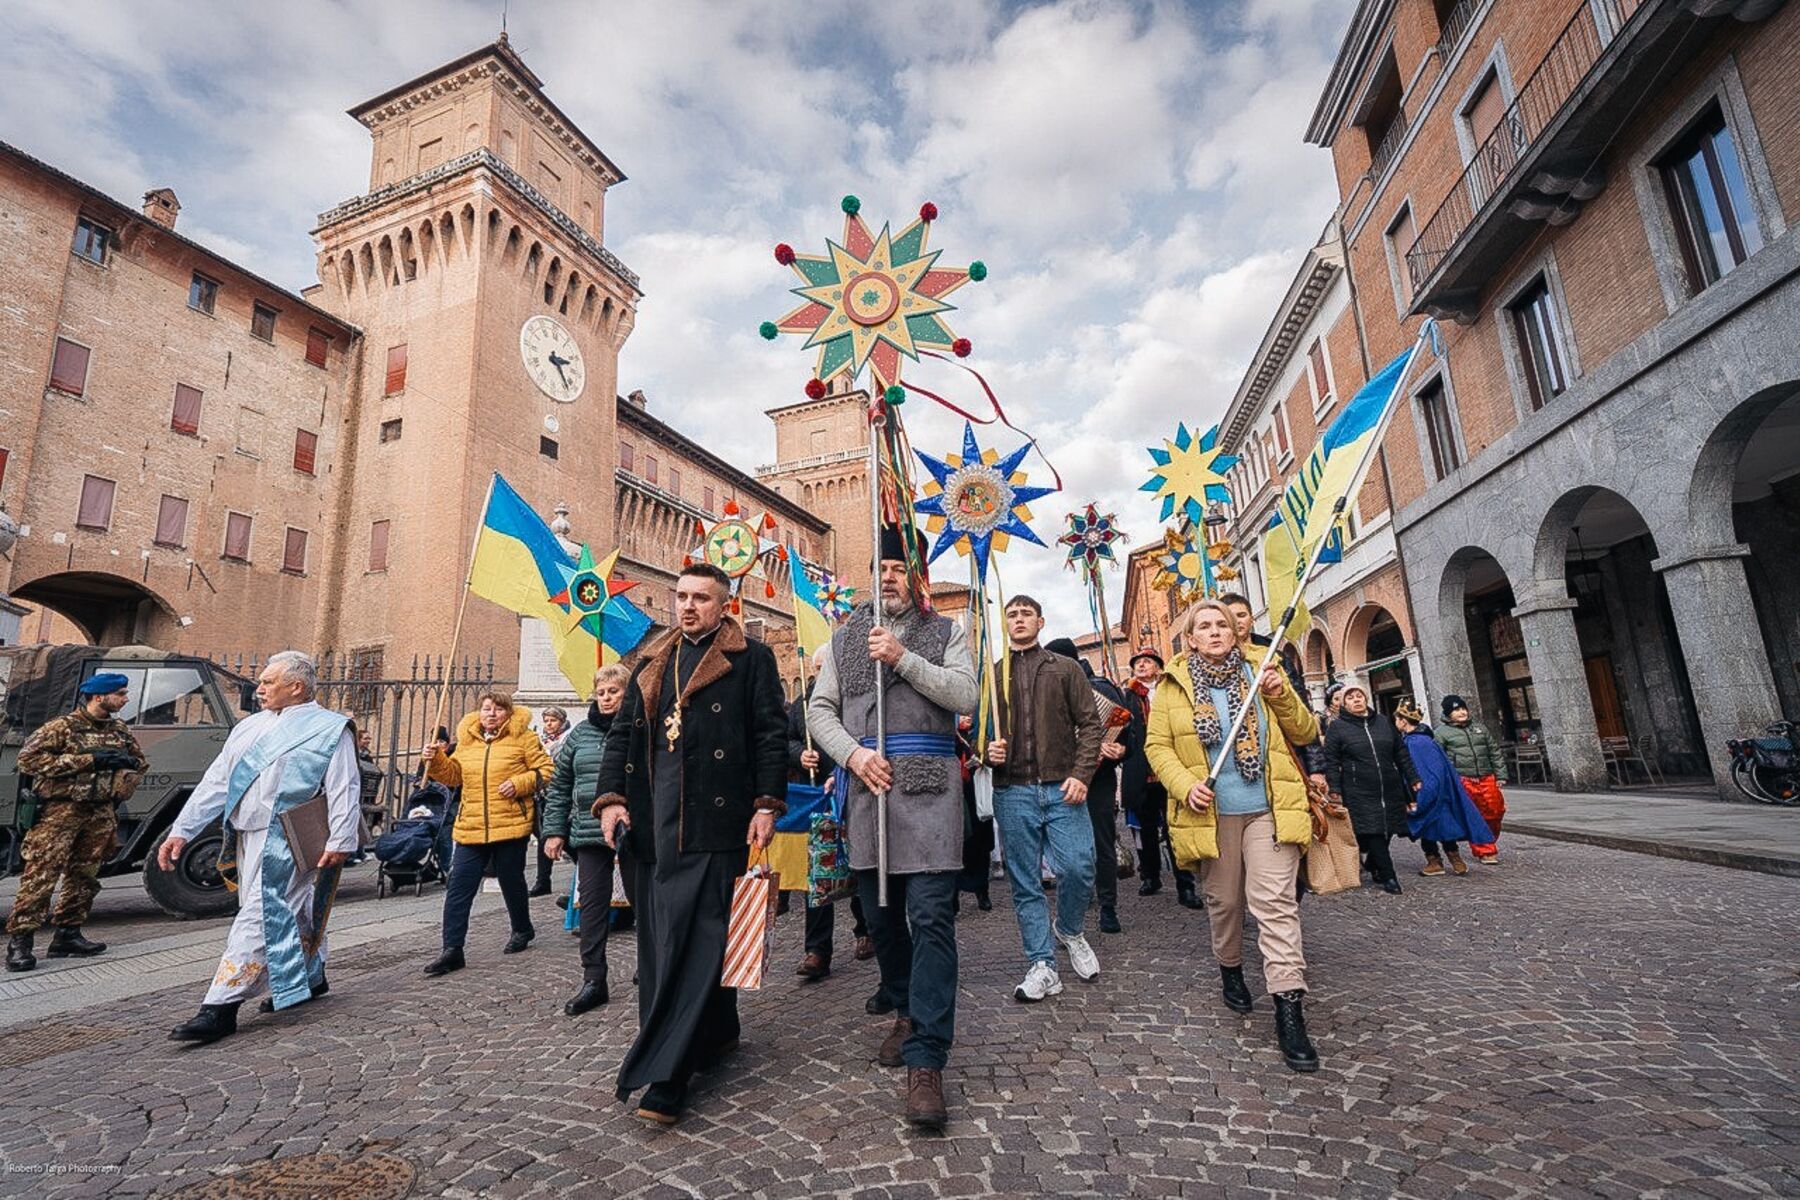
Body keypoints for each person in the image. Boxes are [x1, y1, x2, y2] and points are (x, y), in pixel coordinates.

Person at [594, 562, 788, 1125]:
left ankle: (667, 1073)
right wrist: (611, 800)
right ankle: (720, 1029)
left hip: (715, 822)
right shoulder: (652, 659)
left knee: (696, 941)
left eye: (701, 598)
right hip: (654, 822)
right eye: (680, 596)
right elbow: (622, 737)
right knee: (661, 943)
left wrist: (765, 805)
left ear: (723, 605)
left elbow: (769, 734)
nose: (687, 606)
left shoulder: (752, 658)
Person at [807, 528, 979, 1131]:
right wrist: (852, 756)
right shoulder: (845, 637)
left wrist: (902, 660)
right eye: (880, 567)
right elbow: (818, 710)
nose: (888, 578)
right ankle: (905, 1006)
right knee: (881, 920)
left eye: (900, 569)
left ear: (918, 578)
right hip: (868, 790)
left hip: (930, 792)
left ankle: (926, 1058)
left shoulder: (945, 633)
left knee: (931, 917)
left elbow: (966, 695)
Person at [1144, 598, 1322, 1073]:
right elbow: (1157, 747)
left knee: (1275, 903)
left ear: (1237, 631)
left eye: (1222, 623)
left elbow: (1306, 732)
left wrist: (1281, 693)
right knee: (1224, 903)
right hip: (1211, 815)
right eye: (1205, 626)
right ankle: (1231, 967)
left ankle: (1289, 1007)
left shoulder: (1264, 672)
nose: (1216, 631)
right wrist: (1185, 786)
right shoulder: (1172, 686)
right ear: (1191, 638)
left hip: (1269, 810)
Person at [161, 652, 360, 1044]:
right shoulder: (247, 727)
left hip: (290, 834)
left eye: (269, 681)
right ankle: (311, 975)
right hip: (246, 832)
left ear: (297, 687)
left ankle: (220, 1006)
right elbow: (217, 781)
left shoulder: (329, 728)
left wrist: (341, 838)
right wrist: (183, 829)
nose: (260, 687)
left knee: (260, 912)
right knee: (287, 907)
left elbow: (344, 784)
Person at [987, 596, 1104, 1004]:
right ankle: (1043, 965)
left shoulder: (1065, 668)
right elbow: (977, 731)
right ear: (1005, 624)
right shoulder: (993, 675)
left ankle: (1069, 929)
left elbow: (1092, 725)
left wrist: (1081, 774)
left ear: (1040, 620)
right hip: (1012, 790)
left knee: (1078, 866)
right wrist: (987, 750)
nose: (1018, 620)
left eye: (1025, 614)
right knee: (1025, 883)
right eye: (1011, 615)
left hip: (1062, 786)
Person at [6, 673, 146, 972]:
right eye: (120, 693)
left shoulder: (119, 730)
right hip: (60, 813)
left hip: (99, 812)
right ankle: (21, 942)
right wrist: (88, 761)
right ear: (99, 697)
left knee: (84, 877)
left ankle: (68, 935)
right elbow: (28, 760)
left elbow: (138, 761)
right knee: (41, 877)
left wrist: (128, 773)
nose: (125, 698)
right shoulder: (63, 728)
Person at [420, 691, 552, 976]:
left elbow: (545, 770)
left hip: (510, 824)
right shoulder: (467, 742)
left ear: (508, 713)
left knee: (511, 881)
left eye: (498, 709)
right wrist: (437, 760)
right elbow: (454, 777)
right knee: (459, 886)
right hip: (471, 826)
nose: (491, 714)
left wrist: (520, 783)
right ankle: (452, 949)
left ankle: (522, 928)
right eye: (486, 708)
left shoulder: (524, 739)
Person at [541, 665, 634, 1015]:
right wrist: (553, 831)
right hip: (589, 831)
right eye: (601, 691)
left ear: (627, 692)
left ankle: (651, 966)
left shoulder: (639, 728)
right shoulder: (579, 735)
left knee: (645, 901)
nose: (607, 697)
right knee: (591, 906)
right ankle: (594, 978)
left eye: (614, 691)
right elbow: (560, 786)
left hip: (632, 831)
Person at [789, 649, 871, 982]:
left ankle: (866, 930)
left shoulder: (855, 698)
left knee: (859, 866)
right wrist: (800, 754)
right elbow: (785, 740)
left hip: (853, 793)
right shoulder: (801, 706)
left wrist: (843, 771)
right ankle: (817, 950)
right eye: (819, 668)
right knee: (818, 874)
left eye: (829, 668)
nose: (823, 674)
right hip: (816, 799)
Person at [1045, 638, 1133, 935]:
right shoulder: (1049, 689)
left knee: (1102, 842)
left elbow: (1127, 736)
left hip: (1099, 778)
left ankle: (1109, 907)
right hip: (1062, 777)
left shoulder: (1102, 689)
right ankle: (1080, 898)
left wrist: (1119, 749)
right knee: (1069, 847)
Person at [1321, 678, 1419, 896]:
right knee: (1374, 830)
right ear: (1344, 704)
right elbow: (1332, 760)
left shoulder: (1383, 722)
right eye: (1350, 697)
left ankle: (1374, 864)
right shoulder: (1337, 728)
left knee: (1388, 828)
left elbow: (1400, 752)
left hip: (1389, 785)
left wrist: (1413, 777)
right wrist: (1334, 788)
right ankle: (1389, 875)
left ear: (1366, 699)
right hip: (1358, 788)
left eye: (1359, 696)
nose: (1356, 700)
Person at [1124, 648, 1200, 909]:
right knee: (1145, 831)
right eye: (1137, 663)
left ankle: (1186, 885)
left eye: (1147, 661)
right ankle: (1150, 876)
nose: (1141, 666)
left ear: (1158, 666)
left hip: (1171, 770)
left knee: (1175, 830)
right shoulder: (1128, 696)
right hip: (1142, 771)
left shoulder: (1171, 689)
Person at [1394, 699, 1493, 876]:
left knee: (1430, 828)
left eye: (1397, 719)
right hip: (1437, 792)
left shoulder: (1416, 743)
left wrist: (1422, 795)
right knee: (1442, 827)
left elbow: (1425, 771)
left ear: (1403, 721)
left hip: (1428, 793)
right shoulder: (1423, 740)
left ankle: (1437, 861)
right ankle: (1454, 860)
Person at [1435, 695, 1506, 864]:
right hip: (1464, 779)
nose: (1461, 712)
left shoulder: (1480, 728)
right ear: (1448, 714)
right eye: (1456, 710)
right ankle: (1485, 849)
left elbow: (1494, 751)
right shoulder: (1441, 733)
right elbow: (1440, 759)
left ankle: (1489, 840)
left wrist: (1501, 774)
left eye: (1462, 708)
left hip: (1487, 776)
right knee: (1475, 815)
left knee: (1496, 811)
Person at [530, 706, 572, 896]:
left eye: (553, 720)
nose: (549, 724)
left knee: (567, 838)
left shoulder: (568, 739)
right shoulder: (539, 740)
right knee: (543, 836)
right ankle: (542, 880)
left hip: (563, 792)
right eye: (546, 721)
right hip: (543, 794)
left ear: (562, 722)